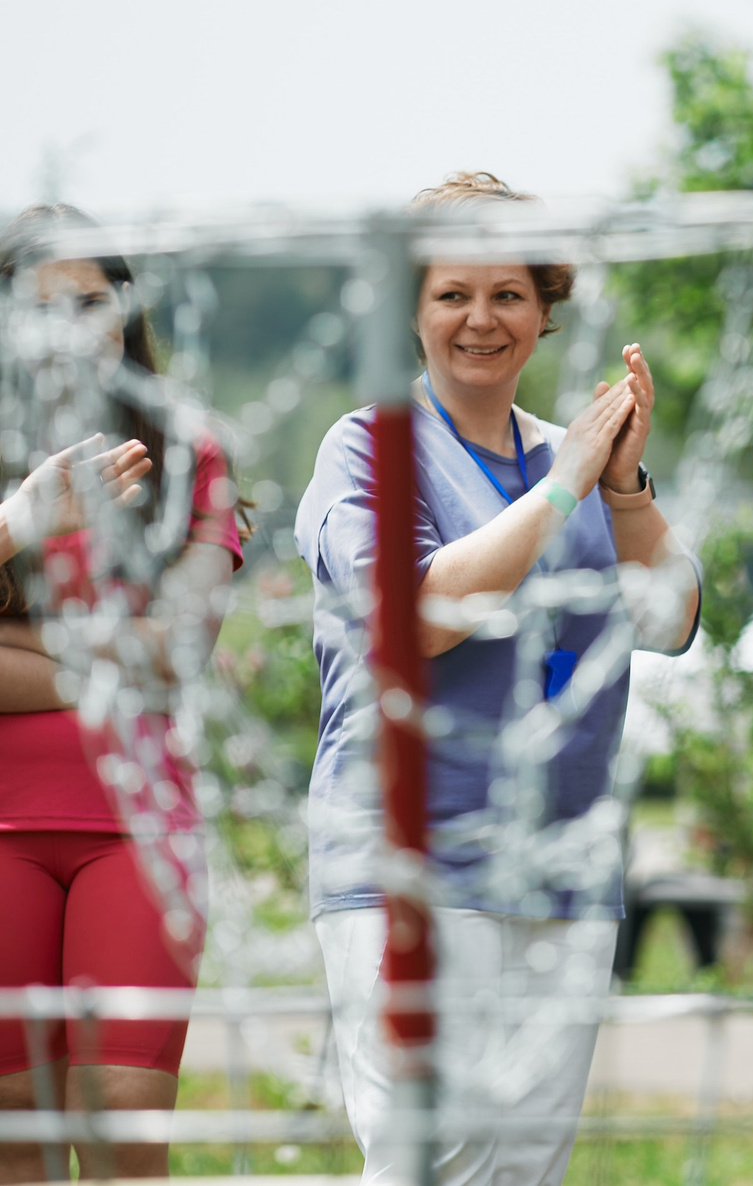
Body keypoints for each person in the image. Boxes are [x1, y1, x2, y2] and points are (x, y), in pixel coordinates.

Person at [296, 171, 700, 1186]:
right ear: (413, 307)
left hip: (562, 871)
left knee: (525, 1162)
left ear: (545, 308)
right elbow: (418, 615)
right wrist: (570, 489)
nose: (482, 317)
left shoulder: (584, 456)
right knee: (431, 1153)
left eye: (509, 293)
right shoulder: (367, 447)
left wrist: (625, 488)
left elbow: (673, 615)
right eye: (452, 292)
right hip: (412, 862)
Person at [0, 205, 241, 1183]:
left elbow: (178, 653)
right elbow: (136, 656)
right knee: (13, 1131)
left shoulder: (187, 450)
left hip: (139, 831)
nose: (68, 324)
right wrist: (18, 522)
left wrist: (19, 641)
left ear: (126, 305)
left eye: (90, 299)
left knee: (124, 1132)